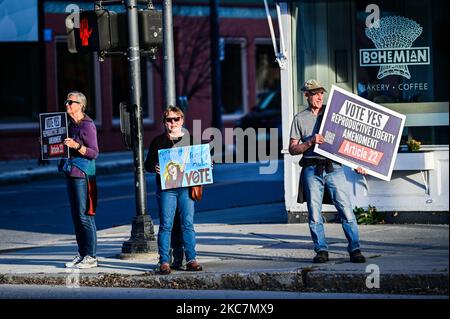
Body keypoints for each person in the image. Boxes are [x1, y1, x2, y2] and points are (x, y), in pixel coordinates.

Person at [289, 79, 366, 264]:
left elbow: (347, 141)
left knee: (346, 210)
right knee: (315, 214)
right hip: (311, 169)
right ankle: (321, 250)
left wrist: (358, 163)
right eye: (315, 93)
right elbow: (292, 148)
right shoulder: (300, 118)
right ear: (306, 95)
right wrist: (309, 142)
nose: (319, 97)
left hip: (334, 168)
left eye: (321, 93)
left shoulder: (333, 115)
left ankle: (355, 249)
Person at [144, 105, 203, 274]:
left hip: (186, 188)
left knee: (187, 224)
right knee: (166, 225)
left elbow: (201, 161)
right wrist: (154, 166)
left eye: (176, 119)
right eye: (169, 120)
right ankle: (164, 261)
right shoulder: (158, 141)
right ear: (165, 122)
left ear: (182, 120)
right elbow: (148, 164)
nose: (173, 122)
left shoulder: (192, 140)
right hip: (166, 189)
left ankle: (191, 259)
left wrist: (208, 164)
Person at [59, 91, 99, 269]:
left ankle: (91, 256)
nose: (67, 104)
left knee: (85, 216)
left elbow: (94, 152)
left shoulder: (87, 126)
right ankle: (82, 253)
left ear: (80, 105)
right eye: (66, 101)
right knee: (76, 216)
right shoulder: (70, 125)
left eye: (71, 102)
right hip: (70, 172)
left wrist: (76, 146)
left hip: (83, 173)